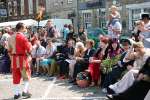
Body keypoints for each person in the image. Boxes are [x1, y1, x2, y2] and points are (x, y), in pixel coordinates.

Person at [7, 23, 32, 99]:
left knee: (16, 77)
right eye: (24, 28)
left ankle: (16, 94)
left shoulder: (10, 38)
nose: (25, 29)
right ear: (21, 28)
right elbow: (29, 49)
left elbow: (9, 50)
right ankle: (24, 91)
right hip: (22, 59)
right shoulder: (23, 37)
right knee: (26, 76)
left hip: (14, 60)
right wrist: (31, 46)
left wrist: (12, 59)